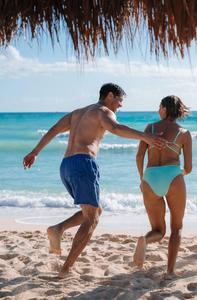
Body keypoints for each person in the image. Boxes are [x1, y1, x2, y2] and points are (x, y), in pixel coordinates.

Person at [22, 83, 166, 278]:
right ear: (109, 96)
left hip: (66, 166)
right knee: (92, 218)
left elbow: (54, 130)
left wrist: (35, 152)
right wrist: (145, 137)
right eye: (119, 100)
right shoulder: (103, 111)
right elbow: (115, 128)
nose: (120, 106)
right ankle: (66, 269)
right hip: (83, 163)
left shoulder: (77, 113)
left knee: (94, 210)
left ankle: (58, 229)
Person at [133, 95, 192, 275]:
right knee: (177, 228)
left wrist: (143, 178)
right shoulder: (184, 133)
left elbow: (139, 156)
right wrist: (176, 174)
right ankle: (170, 271)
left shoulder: (149, 128)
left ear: (165, 109)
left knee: (158, 230)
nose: (158, 110)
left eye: (159, 107)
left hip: (150, 177)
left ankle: (145, 240)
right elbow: (188, 168)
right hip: (173, 176)